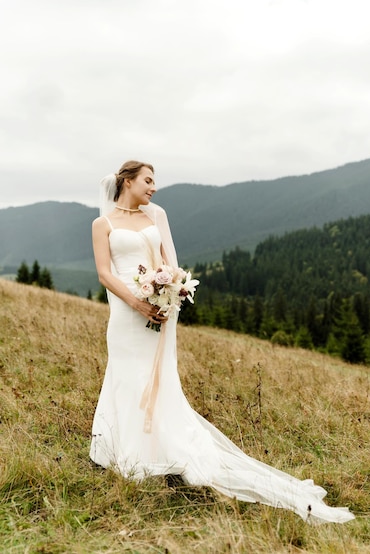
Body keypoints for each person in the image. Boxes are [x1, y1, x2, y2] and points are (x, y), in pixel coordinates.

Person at [90, 160, 354, 525]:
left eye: (154, 182)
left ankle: (164, 449)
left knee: (158, 380)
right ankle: (128, 452)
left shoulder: (155, 217)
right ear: (127, 181)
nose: (153, 188)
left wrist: (167, 294)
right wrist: (136, 301)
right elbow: (104, 273)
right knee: (125, 376)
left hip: (159, 310)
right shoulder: (102, 224)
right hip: (125, 313)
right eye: (148, 181)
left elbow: (172, 265)